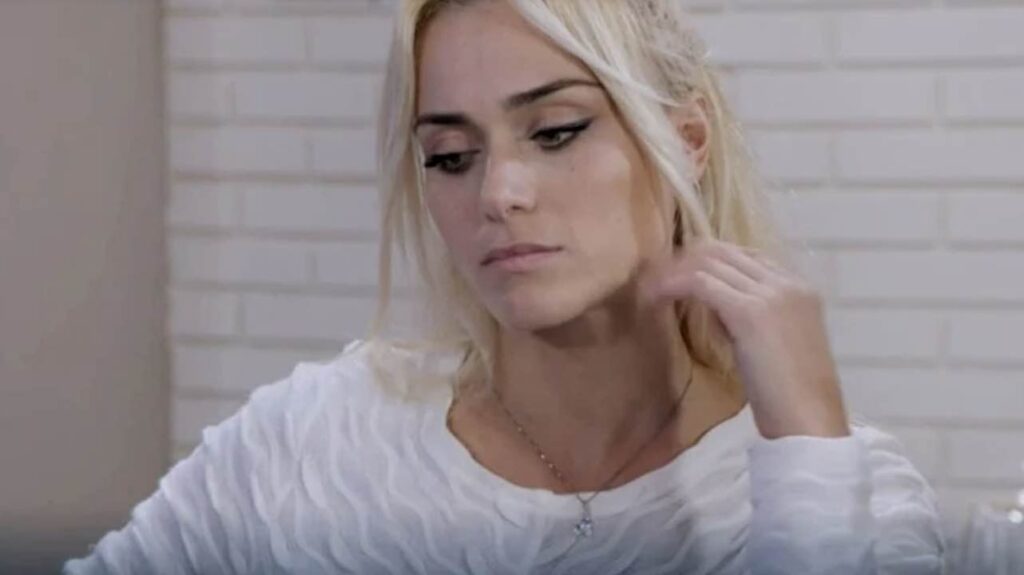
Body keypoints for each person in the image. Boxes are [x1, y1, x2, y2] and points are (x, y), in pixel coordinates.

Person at [64, 1, 947, 573]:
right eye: (451, 156)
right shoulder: (308, 446)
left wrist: (809, 450)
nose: (498, 193)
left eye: (555, 132)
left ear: (685, 143)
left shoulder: (845, 486)